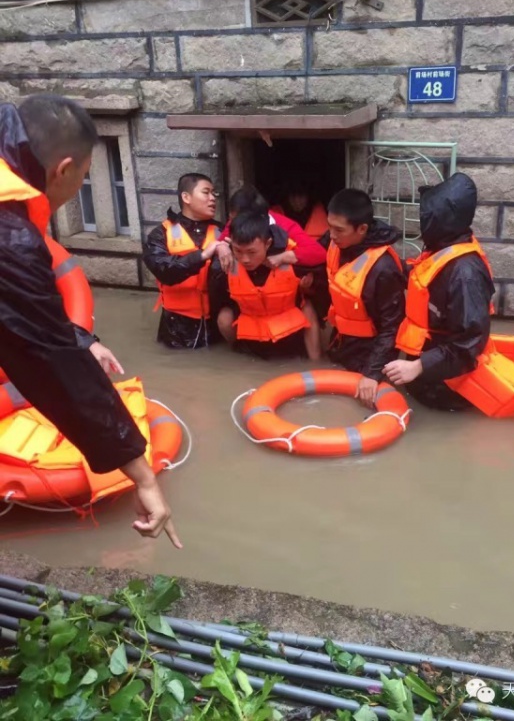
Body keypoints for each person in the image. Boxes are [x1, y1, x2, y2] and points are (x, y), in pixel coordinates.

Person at [0, 96, 180, 546]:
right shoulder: (11, 236)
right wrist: (143, 476)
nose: (76, 189)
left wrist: (81, 336)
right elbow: (54, 367)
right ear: (62, 170)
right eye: (83, 180)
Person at [383, 173, 495, 411]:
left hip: (449, 389)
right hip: (426, 373)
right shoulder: (446, 246)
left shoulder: (465, 274)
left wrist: (418, 366)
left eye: (425, 216)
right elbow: (424, 276)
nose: (421, 222)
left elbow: (469, 343)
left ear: (440, 220)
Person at [323, 189, 406, 409]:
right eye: (329, 226)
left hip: (370, 355)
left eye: (338, 230)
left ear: (362, 229)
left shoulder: (384, 268)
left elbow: (392, 327)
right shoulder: (337, 241)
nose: (331, 235)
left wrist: (372, 373)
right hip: (341, 343)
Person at [209, 211, 321, 361]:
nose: (245, 259)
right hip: (251, 333)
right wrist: (220, 247)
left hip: (289, 334)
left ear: (267, 243)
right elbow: (216, 299)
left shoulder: (289, 258)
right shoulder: (224, 264)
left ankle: (316, 362)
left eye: (252, 252)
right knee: (224, 317)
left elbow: (322, 285)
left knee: (308, 307)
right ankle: (238, 355)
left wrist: (306, 287)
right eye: (238, 251)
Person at [143, 173, 221, 349]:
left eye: (214, 194)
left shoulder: (223, 231)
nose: (212, 198)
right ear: (186, 197)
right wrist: (201, 256)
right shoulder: (160, 234)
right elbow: (164, 270)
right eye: (206, 192)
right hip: (176, 328)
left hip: (215, 323)